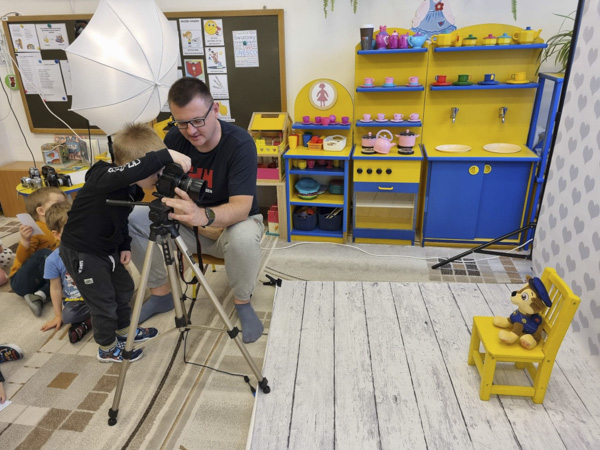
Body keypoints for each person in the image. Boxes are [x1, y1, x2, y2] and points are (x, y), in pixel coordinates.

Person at [129, 77, 265, 344]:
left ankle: (243, 301)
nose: (190, 131)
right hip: (188, 224)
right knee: (134, 219)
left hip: (231, 226)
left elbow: (242, 207)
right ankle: (161, 294)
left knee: (244, 236)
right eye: (181, 123)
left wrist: (203, 216)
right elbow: (162, 188)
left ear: (215, 110)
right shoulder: (173, 139)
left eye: (197, 120)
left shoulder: (240, 143)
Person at [59, 123, 191, 363]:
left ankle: (123, 331)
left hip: (108, 247)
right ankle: (107, 347)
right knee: (103, 302)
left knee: (124, 289)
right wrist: (165, 155)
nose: (158, 176)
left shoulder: (133, 189)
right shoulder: (102, 176)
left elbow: (121, 218)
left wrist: (124, 245)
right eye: (155, 171)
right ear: (134, 167)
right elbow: (125, 173)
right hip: (83, 251)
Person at [9, 186, 67, 316]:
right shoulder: (35, 229)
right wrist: (25, 241)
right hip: (21, 281)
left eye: (65, 204)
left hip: (43, 278)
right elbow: (21, 259)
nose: (63, 208)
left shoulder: (60, 226)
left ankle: (39, 296)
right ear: (41, 210)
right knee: (47, 255)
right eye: (58, 204)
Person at [41, 201, 92, 344]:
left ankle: (90, 321)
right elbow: (55, 288)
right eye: (70, 228)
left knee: (119, 299)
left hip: (98, 294)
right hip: (78, 302)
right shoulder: (52, 260)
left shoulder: (91, 248)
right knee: (68, 316)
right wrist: (58, 316)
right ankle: (92, 321)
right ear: (57, 234)